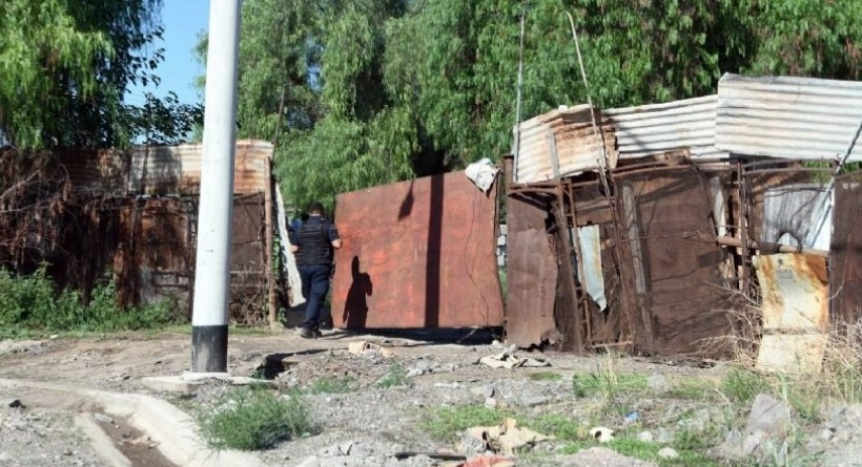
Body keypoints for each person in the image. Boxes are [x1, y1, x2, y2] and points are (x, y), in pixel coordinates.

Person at [289, 201, 342, 338]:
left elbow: (293, 248)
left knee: (310, 297)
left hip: (303, 266)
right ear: (322, 212)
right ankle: (307, 327)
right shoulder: (327, 225)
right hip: (320, 265)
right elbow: (337, 244)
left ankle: (313, 328)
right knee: (317, 296)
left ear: (310, 212)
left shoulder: (301, 227)